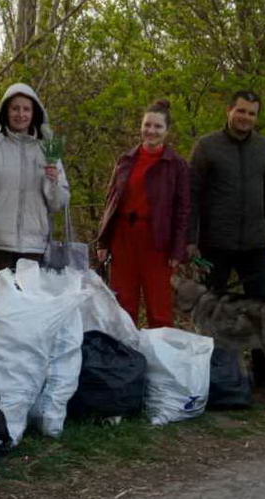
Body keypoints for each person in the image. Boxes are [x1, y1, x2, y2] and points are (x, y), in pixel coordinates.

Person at [187, 90, 265, 386]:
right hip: (215, 245)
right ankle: (217, 378)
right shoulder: (206, 147)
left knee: (264, 311)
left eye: (251, 113)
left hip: (254, 245)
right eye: (241, 111)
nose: (245, 117)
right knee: (212, 313)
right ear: (229, 110)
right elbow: (192, 197)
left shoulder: (264, 149)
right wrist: (190, 240)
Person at [0, 83, 69, 305]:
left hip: (33, 247)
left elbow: (59, 203)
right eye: (15, 109)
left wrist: (53, 180)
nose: (21, 114)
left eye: (26, 109)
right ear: (5, 112)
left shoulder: (47, 151)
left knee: (27, 313)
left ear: (34, 113)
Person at [95, 99, 190, 328]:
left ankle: (160, 359)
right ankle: (125, 357)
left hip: (157, 242)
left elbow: (183, 210)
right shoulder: (126, 160)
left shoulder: (176, 166)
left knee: (159, 308)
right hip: (123, 238)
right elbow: (111, 201)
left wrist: (178, 249)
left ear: (167, 131)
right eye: (147, 125)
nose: (151, 131)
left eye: (158, 127)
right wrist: (103, 240)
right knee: (123, 307)